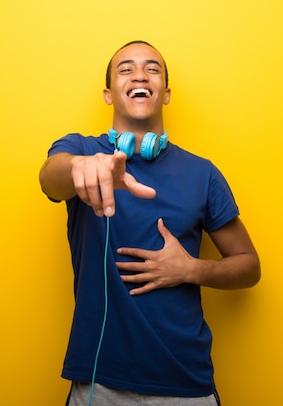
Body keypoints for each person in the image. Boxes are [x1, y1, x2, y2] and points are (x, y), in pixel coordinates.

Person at [39, 40, 261, 406]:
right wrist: (81, 167)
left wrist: (192, 269)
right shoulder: (79, 150)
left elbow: (249, 267)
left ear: (166, 94)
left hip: (185, 383)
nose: (139, 75)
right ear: (108, 94)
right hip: (99, 383)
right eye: (125, 69)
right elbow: (50, 178)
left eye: (152, 68)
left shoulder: (203, 174)